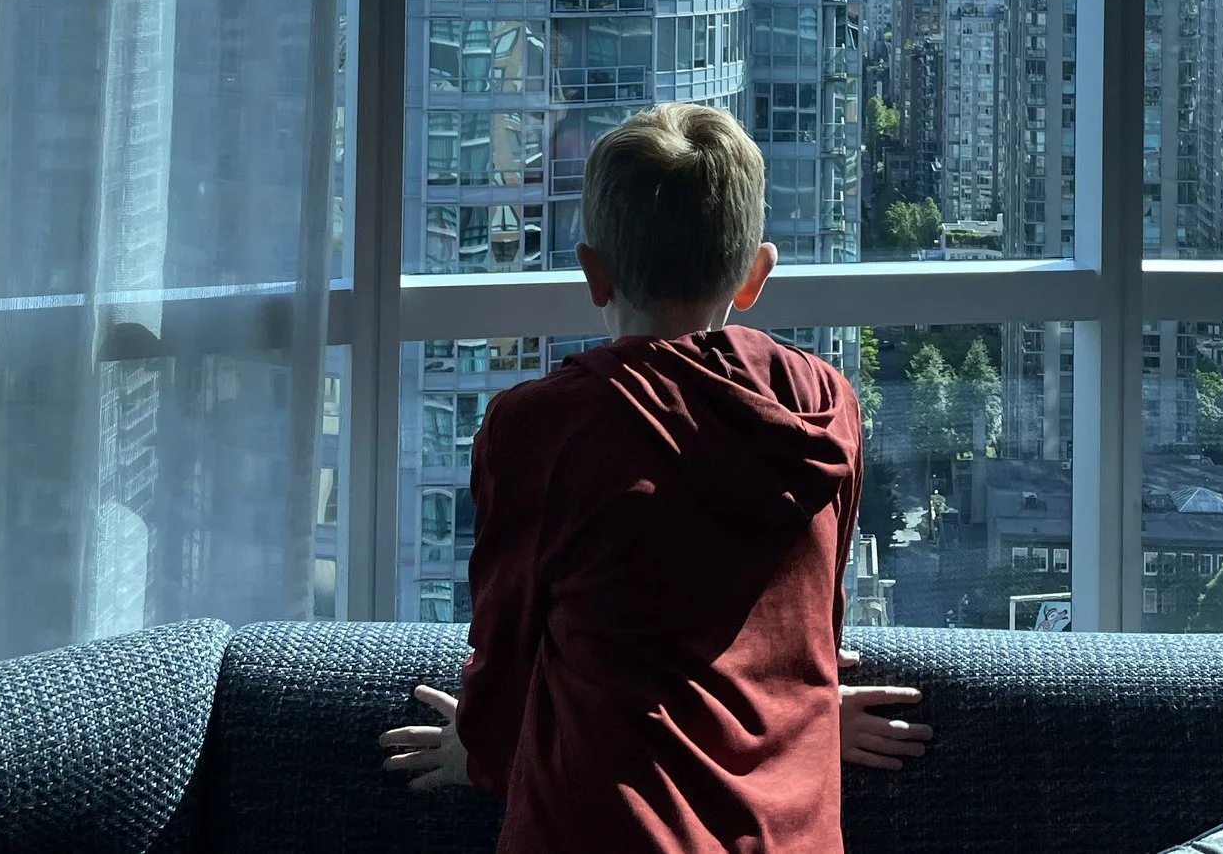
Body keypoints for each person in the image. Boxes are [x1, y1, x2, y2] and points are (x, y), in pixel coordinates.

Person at [377, 102, 932, 852]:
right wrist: (808, 711)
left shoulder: (544, 429)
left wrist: (481, 749)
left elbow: (507, 649)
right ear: (754, 276)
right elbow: (809, 629)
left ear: (593, 272)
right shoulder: (824, 405)